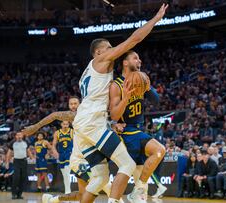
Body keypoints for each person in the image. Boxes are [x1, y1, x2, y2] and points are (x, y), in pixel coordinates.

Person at [73, 4, 168, 203]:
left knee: (99, 177)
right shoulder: (101, 60)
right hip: (92, 123)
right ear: (98, 53)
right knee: (126, 164)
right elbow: (134, 39)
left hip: (84, 124)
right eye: (108, 48)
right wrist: (155, 19)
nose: (112, 51)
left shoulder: (88, 73)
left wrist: (111, 122)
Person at [21, 97, 124, 203]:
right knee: (107, 185)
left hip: (89, 159)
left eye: (75, 103)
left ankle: (53, 199)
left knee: (82, 195)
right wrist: (36, 126)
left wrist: (115, 125)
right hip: (80, 161)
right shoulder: (74, 116)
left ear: (80, 104)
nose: (73, 106)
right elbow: (54, 115)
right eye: (71, 104)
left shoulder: (91, 116)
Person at [109, 50, 166, 203]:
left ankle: (136, 193)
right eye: (135, 58)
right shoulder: (117, 85)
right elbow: (114, 115)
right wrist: (126, 98)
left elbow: (156, 101)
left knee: (139, 174)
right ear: (125, 62)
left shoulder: (141, 81)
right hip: (126, 132)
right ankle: (125, 194)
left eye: (140, 58)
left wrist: (147, 87)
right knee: (159, 150)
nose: (139, 61)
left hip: (138, 130)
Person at [6, 132, 32, 199]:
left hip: (24, 161)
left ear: (22, 136)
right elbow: (9, 153)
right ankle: (14, 194)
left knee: (23, 178)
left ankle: (19, 194)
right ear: (15, 136)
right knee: (16, 178)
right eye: (17, 135)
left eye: (20, 135)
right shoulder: (12, 143)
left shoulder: (26, 142)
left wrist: (32, 157)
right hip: (16, 161)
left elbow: (28, 151)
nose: (19, 136)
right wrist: (7, 162)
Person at [51, 120, 74, 194]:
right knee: (64, 174)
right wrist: (54, 151)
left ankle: (68, 191)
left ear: (68, 125)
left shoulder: (71, 131)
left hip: (69, 153)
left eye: (67, 124)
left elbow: (76, 142)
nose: (65, 125)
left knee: (67, 170)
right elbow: (54, 144)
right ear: (61, 124)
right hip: (61, 154)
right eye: (64, 124)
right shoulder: (57, 133)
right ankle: (67, 190)